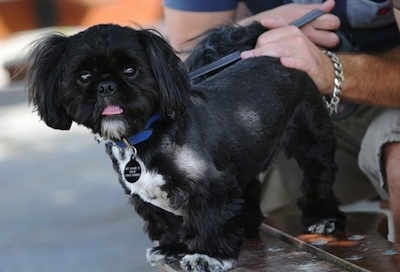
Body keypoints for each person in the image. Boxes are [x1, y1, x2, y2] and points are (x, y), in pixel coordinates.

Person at [163, 0, 400, 244]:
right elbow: (186, 60)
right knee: (192, 177)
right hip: (287, 101)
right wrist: (252, 31)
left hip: (389, 94)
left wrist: (329, 69)